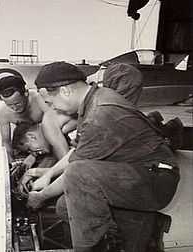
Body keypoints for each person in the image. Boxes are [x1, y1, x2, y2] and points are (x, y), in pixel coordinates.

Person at [22, 61, 180, 252]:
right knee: (65, 206)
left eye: (51, 102)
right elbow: (79, 150)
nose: (54, 109)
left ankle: (92, 248)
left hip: (156, 180)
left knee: (78, 175)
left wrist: (41, 197)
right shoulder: (95, 98)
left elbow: (77, 169)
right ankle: (144, 224)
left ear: (65, 91)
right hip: (137, 171)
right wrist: (49, 174)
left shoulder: (100, 114)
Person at [0, 74, 75, 163]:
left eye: (17, 103)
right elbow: (6, 142)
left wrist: (34, 154)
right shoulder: (4, 114)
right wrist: (10, 162)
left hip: (53, 136)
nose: (14, 108)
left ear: (26, 93)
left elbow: (54, 123)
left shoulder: (39, 99)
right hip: (31, 145)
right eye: (9, 105)